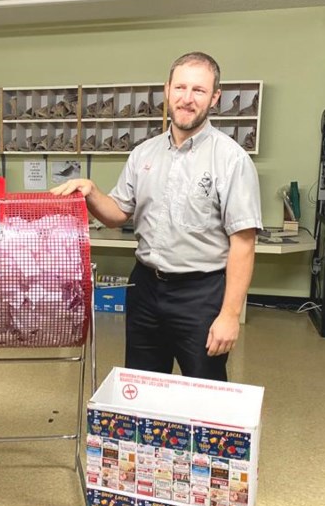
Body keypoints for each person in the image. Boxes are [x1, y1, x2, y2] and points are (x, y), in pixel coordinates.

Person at [52, 52, 261, 381]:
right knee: (144, 387)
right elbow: (118, 213)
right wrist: (91, 191)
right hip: (145, 289)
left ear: (215, 98)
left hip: (200, 294)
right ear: (167, 90)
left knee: (204, 392)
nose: (187, 99)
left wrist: (230, 315)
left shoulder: (231, 159)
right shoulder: (143, 153)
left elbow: (244, 243)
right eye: (180, 88)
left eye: (199, 90)